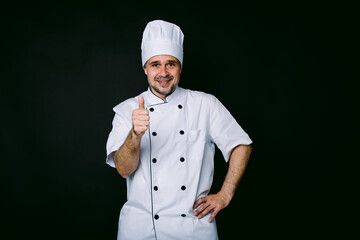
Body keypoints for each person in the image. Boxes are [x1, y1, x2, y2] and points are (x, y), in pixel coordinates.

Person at [106, 20, 252, 240]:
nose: (163, 72)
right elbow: (124, 170)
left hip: (192, 229)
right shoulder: (128, 110)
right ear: (145, 68)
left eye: (170, 64)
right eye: (155, 64)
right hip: (141, 229)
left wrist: (225, 194)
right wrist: (135, 135)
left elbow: (241, 144)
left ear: (180, 66)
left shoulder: (205, 104)